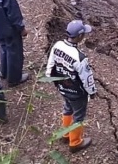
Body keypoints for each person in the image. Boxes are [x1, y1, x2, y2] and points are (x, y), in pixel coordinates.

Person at [46, 20, 97, 153]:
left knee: (67, 109)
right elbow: (87, 78)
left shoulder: (57, 46)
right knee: (78, 116)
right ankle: (75, 142)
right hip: (77, 92)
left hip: (62, 86)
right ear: (80, 36)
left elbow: (50, 64)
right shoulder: (80, 57)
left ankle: (65, 134)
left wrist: (54, 81)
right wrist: (92, 91)